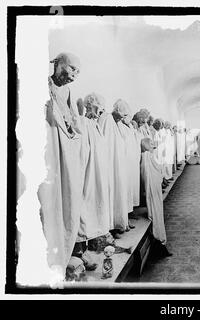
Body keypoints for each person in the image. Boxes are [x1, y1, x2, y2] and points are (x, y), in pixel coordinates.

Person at [38, 52, 84, 275]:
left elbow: (73, 123)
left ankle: (63, 253)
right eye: (72, 69)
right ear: (57, 64)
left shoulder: (67, 92)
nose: (73, 76)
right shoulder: (41, 85)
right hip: (48, 152)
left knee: (68, 197)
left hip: (64, 151)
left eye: (77, 72)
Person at [76, 93, 111, 251]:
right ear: (89, 107)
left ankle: (93, 242)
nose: (100, 112)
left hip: (98, 173)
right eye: (98, 108)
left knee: (96, 206)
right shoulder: (83, 123)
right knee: (86, 207)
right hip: (89, 173)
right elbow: (82, 151)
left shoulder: (95, 125)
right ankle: (80, 251)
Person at [98, 100, 130, 238]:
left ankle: (119, 223)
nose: (122, 118)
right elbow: (101, 141)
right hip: (109, 164)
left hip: (118, 164)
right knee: (111, 194)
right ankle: (110, 227)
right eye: (121, 115)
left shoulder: (118, 124)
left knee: (119, 193)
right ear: (116, 111)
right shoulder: (106, 119)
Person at [140, 138, 172, 257]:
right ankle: (160, 243)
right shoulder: (149, 156)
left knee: (157, 214)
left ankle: (160, 242)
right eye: (152, 144)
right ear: (147, 146)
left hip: (152, 188)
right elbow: (159, 168)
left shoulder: (146, 156)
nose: (154, 146)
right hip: (153, 189)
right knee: (157, 214)